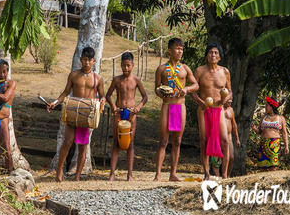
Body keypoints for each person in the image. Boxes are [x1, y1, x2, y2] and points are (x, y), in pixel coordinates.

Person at [47, 47, 106, 182]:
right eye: (84, 60)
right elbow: (65, 92)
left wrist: (102, 101)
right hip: (73, 112)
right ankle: (59, 173)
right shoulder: (73, 75)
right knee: (67, 142)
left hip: (87, 115)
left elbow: (103, 95)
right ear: (80, 60)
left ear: (94, 61)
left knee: (83, 146)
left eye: (89, 60)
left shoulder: (98, 79)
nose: (86, 63)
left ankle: (77, 176)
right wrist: (55, 102)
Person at [154, 37, 199, 181]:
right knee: (163, 141)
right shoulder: (161, 69)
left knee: (177, 141)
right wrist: (161, 92)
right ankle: (158, 174)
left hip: (180, 106)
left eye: (181, 49)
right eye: (177, 48)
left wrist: (186, 89)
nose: (180, 51)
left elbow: (196, 85)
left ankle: (173, 173)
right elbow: (156, 88)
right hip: (167, 105)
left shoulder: (185, 68)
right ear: (170, 50)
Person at [191, 42, 232, 180]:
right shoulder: (199, 71)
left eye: (216, 53)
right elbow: (192, 92)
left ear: (219, 57)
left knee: (225, 140)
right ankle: (207, 173)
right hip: (204, 109)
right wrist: (201, 102)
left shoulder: (225, 72)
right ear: (206, 55)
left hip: (219, 109)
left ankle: (225, 174)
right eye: (210, 52)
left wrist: (225, 100)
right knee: (203, 140)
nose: (213, 55)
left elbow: (230, 92)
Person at [106, 52, 148, 181]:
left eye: (128, 66)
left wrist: (138, 108)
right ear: (120, 65)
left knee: (130, 143)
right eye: (124, 66)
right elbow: (108, 95)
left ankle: (129, 174)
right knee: (116, 142)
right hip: (119, 112)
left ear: (133, 65)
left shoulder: (136, 80)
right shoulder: (116, 80)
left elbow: (145, 97)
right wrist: (113, 106)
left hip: (131, 114)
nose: (126, 68)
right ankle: (112, 173)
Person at [252, 96, 289, 170]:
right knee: (262, 166)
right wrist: (254, 128)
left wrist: (286, 146)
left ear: (272, 107)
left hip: (274, 144)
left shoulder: (281, 118)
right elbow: (259, 131)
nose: (265, 107)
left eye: (267, 105)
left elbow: (284, 133)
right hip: (263, 143)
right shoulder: (263, 117)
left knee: (273, 166)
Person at [210, 98, 240, 177]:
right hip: (217, 136)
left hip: (229, 137)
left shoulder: (231, 110)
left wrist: (237, 139)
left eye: (231, 99)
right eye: (229, 99)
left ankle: (227, 175)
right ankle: (217, 176)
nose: (231, 101)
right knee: (215, 159)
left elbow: (234, 125)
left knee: (231, 157)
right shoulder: (218, 108)